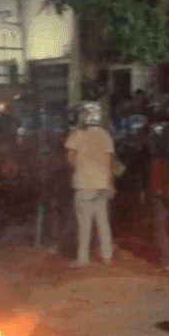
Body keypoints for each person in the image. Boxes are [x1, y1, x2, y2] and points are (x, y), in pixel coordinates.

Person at [66, 101, 116, 267]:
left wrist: (78, 166)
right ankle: (107, 256)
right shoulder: (105, 135)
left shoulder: (77, 134)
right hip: (102, 183)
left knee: (84, 223)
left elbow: (69, 158)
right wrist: (110, 184)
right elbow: (110, 162)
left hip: (84, 183)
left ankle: (83, 259)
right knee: (103, 222)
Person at [147, 101, 169, 271]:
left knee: (162, 224)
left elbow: (147, 149)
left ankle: (167, 260)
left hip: (160, 180)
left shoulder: (155, 132)